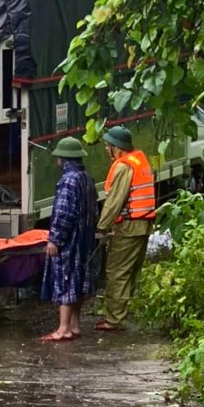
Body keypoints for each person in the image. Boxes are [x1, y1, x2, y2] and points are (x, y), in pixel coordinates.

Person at [96, 125, 155, 332]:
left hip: (129, 227)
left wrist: (101, 226)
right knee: (130, 271)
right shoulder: (139, 161)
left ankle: (113, 319)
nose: (106, 149)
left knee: (117, 271)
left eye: (108, 146)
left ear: (117, 148)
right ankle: (120, 311)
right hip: (143, 224)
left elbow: (114, 201)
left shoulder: (123, 167)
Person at [39, 137, 98, 342]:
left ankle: (63, 329)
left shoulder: (68, 180)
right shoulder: (86, 178)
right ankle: (74, 325)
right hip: (85, 238)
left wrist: (55, 239)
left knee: (65, 280)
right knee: (78, 281)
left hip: (70, 240)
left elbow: (64, 213)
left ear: (62, 160)